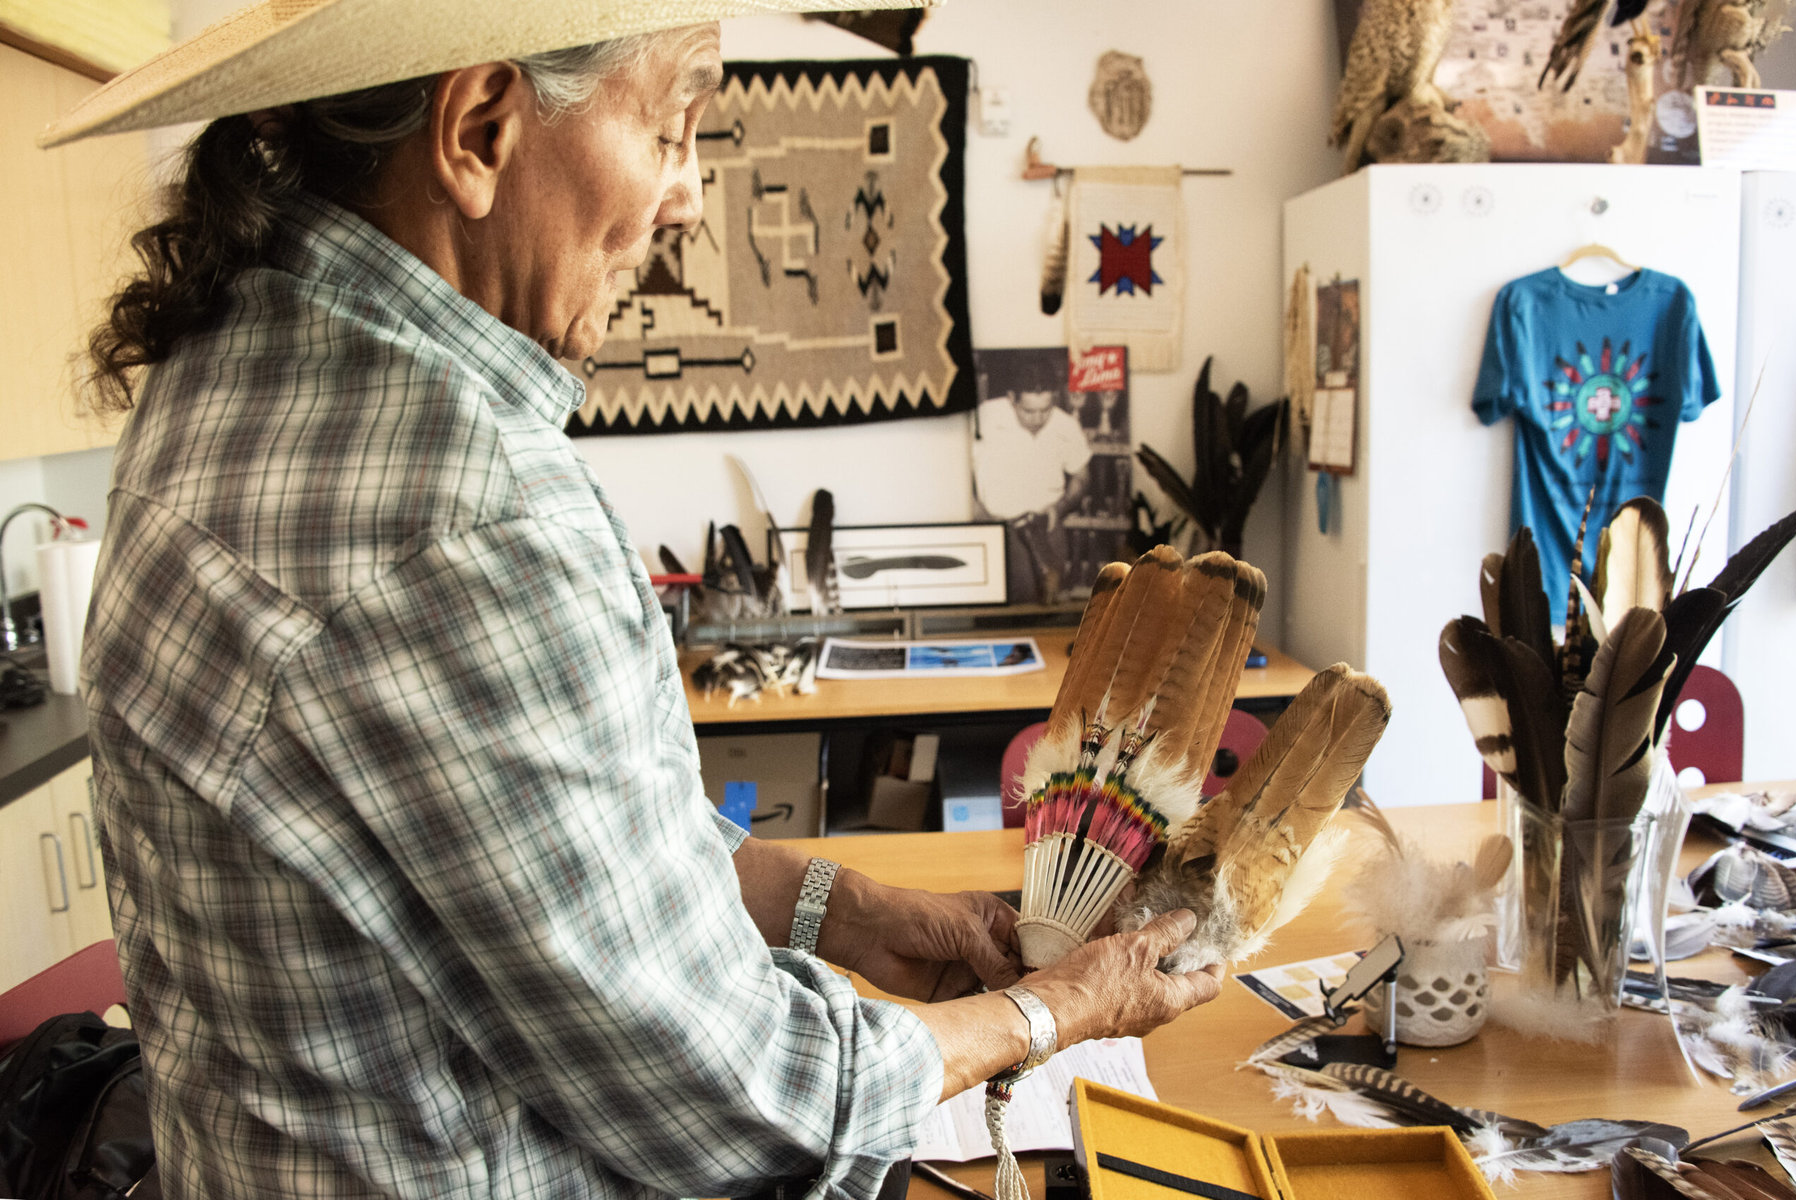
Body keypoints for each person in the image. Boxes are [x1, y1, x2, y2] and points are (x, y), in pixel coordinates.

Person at [53, 2, 1224, 1196]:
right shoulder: (475, 516)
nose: (688, 196)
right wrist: (1057, 1010)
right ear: (481, 128)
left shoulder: (230, 364)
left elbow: (552, 859)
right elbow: (738, 1097)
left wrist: (851, 910)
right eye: (674, 125)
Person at [971, 384, 1093, 604]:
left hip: (1047, 528)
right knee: (1003, 612)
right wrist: (975, 509)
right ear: (1011, 398)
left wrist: (1060, 508)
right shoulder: (985, 416)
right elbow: (952, 464)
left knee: (1048, 612)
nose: (1037, 418)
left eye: (1045, 409)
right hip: (998, 528)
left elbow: (1082, 477)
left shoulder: (1066, 424)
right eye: (1028, 411)